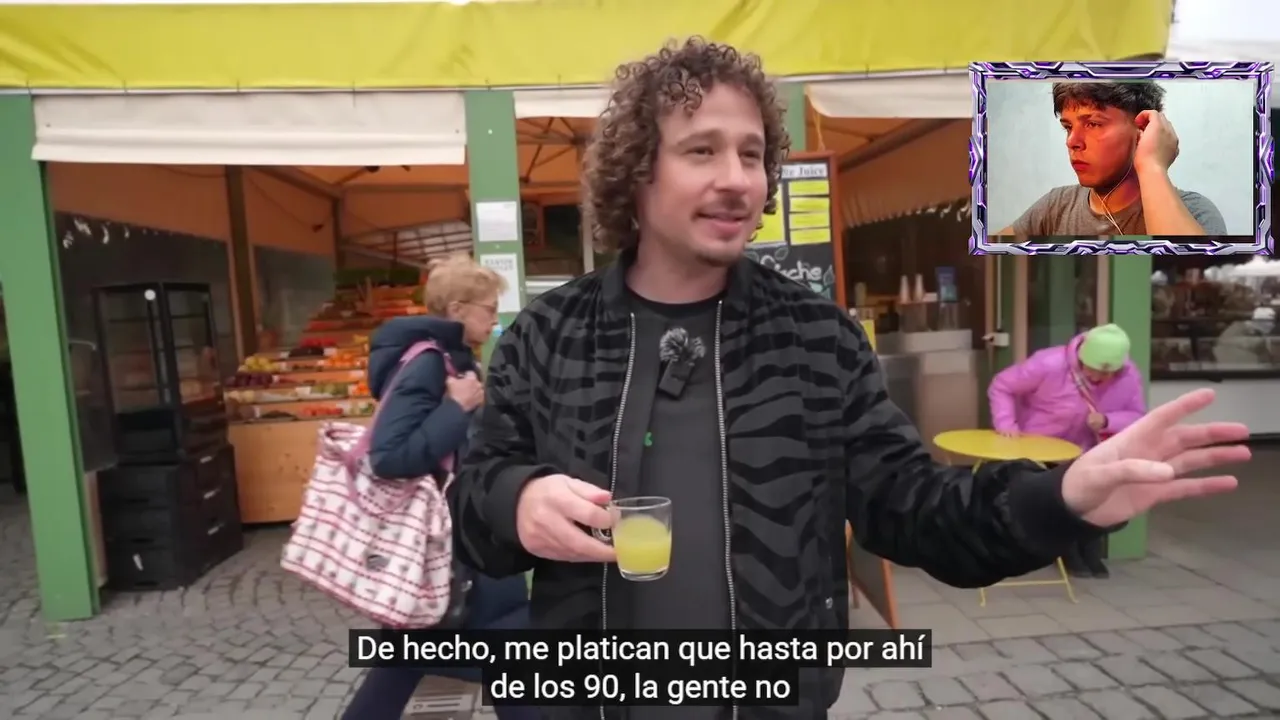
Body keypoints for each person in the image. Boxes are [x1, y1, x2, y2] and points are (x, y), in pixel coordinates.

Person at [451, 38, 1250, 720]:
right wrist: (515, 498)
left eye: (752, 154)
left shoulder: (815, 338)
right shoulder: (550, 336)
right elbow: (473, 509)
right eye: (702, 151)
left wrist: (1060, 497)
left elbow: (911, 507)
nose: (737, 178)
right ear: (636, 171)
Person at [341, 254, 534, 720]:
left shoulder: (451, 359)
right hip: (450, 541)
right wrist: (457, 408)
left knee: (416, 655)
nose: (494, 320)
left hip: (460, 533)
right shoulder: (428, 364)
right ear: (456, 310)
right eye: (488, 309)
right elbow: (389, 456)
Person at [987, 324, 1147, 578]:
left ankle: (1090, 550)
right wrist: (1006, 425)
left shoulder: (1128, 376)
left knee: (1097, 498)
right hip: (1044, 446)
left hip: (1090, 449)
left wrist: (1107, 420)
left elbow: (1137, 415)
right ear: (1082, 357)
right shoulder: (1049, 363)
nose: (1098, 378)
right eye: (1092, 370)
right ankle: (1068, 551)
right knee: (1063, 499)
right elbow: (1002, 385)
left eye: (1107, 374)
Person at [994, 81, 1227, 237]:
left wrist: (1153, 166)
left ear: (1143, 130)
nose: (1072, 141)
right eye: (1068, 127)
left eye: (1093, 124)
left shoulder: (1194, 212)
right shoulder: (1056, 207)